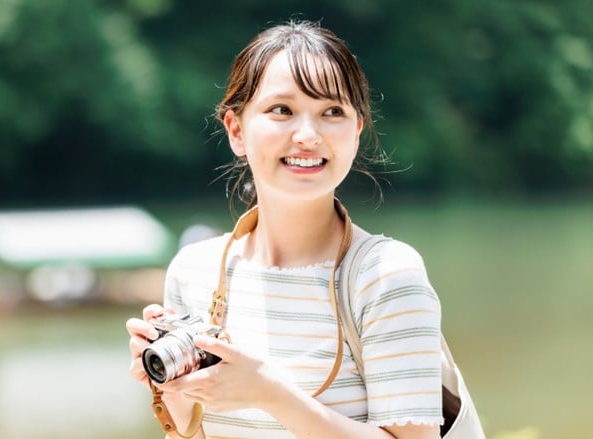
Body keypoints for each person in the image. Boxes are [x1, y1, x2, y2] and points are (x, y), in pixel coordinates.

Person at [127, 20, 444, 438]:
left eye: (333, 112)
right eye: (282, 110)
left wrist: (270, 393)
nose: (308, 135)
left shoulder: (386, 275)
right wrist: (171, 389)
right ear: (236, 130)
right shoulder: (195, 271)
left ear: (356, 130)